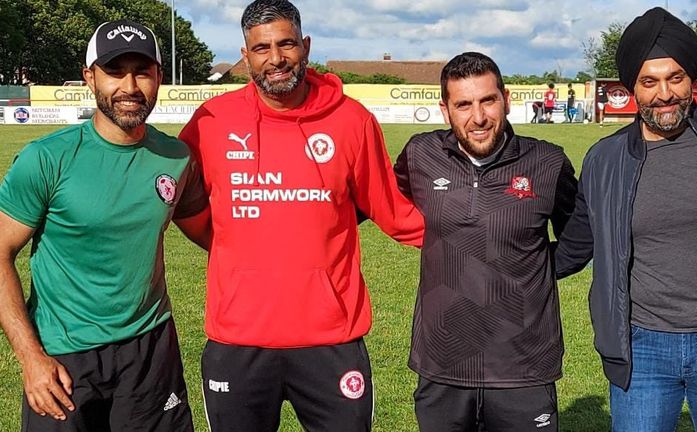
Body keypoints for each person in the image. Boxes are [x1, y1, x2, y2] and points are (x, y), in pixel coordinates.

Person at [177, 1, 424, 431]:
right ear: (245, 53)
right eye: (261, 48)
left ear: (305, 45)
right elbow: (180, 202)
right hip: (238, 340)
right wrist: (231, 246)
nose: (275, 59)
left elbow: (392, 210)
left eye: (286, 43)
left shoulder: (352, 122)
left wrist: (484, 233)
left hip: (332, 340)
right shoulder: (212, 121)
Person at [555, 7, 697, 432]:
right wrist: (495, 261)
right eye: (649, 82)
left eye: (676, 78)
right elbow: (574, 249)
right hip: (641, 348)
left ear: (692, 78)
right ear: (632, 87)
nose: (664, 94)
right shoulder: (605, 159)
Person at [0, 19, 209, 432]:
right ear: (89, 77)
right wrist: (31, 358)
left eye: (142, 71)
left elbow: (214, 235)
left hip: (151, 350)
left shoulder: (177, 158)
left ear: (159, 78)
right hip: (63, 357)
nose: (129, 86)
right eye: (114, 71)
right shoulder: (46, 159)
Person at [394, 52, 577, 432]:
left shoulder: (547, 162)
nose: (478, 117)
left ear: (505, 99)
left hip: (523, 365)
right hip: (443, 362)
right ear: (445, 110)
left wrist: (530, 270)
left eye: (487, 101)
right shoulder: (420, 155)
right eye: (463, 104)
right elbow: (375, 202)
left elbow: (579, 236)